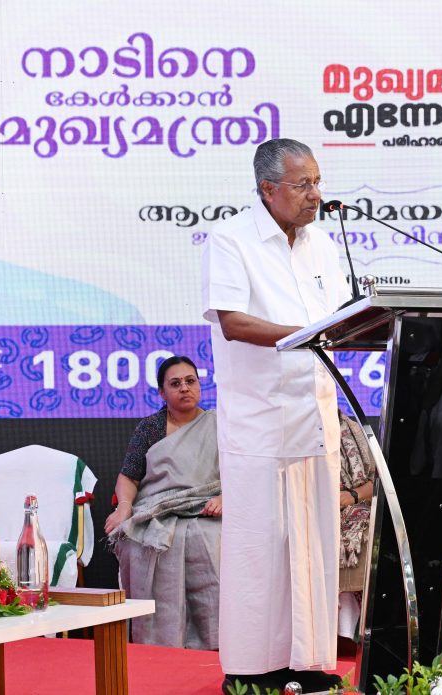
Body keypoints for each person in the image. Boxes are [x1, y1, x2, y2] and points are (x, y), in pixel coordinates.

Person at [202, 138, 349, 695]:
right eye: (303, 184)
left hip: (315, 413)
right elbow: (233, 322)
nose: (315, 194)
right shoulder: (231, 239)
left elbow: (341, 318)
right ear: (267, 189)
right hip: (260, 420)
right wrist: (305, 335)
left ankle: (309, 663)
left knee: (315, 543)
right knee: (260, 546)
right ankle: (250, 669)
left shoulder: (322, 244)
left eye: (317, 182)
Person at [104, 355, 221, 650]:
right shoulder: (151, 428)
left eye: (190, 381)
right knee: (138, 541)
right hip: (158, 509)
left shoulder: (219, 425)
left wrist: (225, 497)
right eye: (175, 383)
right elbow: (128, 476)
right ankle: (157, 642)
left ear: (200, 385)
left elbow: (241, 471)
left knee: (208, 538)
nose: (184, 388)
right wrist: (124, 507)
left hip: (207, 509)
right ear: (162, 392)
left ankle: (217, 641)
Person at [337, 410, 376, 640]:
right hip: (308, 509)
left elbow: (377, 480)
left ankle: (355, 630)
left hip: (355, 504)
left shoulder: (354, 429)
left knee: (370, 530)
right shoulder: (295, 430)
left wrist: (352, 495)